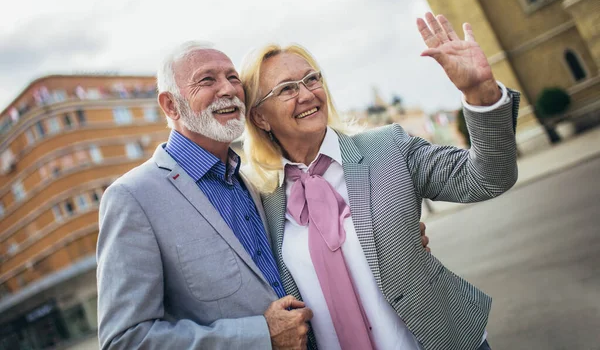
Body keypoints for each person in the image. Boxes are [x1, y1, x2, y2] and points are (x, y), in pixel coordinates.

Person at [96, 40, 433, 349]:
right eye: (207, 81)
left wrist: (387, 234)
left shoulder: (259, 185)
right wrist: (260, 336)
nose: (228, 89)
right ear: (171, 104)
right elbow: (125, 340)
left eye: (232, 78)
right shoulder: (132, 198)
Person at [240, 12, 520, 350]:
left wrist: (480, 91)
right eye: (287, 89)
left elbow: (488, 177)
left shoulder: (388, 148)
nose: (307, 94)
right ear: (259, 117)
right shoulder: (262, 201)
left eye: (311, 79)